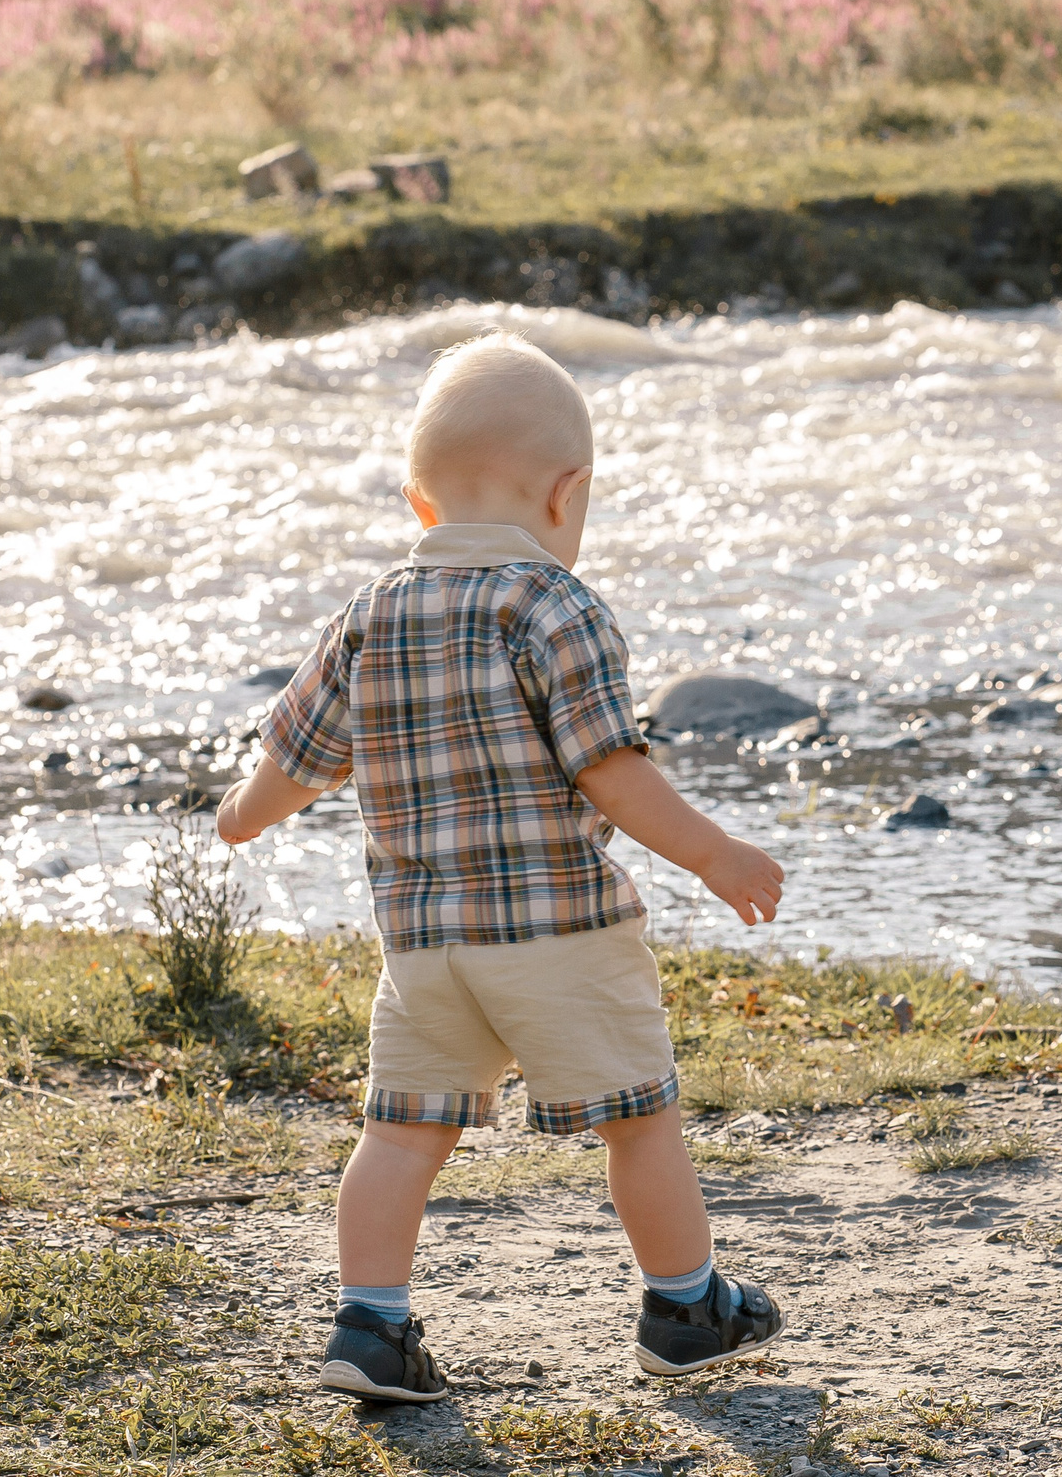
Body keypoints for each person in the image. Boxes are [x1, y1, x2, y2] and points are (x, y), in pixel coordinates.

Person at [215, 334, 787, 1400]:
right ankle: (685, 1304)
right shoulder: (551, 604)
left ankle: (371, 1327)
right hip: (559, 932)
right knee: (639, 1117)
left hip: (426, 948)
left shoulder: (368, 612)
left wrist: (240, 818)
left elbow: (294, 761)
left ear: (418, 502)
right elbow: (611, 768)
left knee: (399, 1134)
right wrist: (715, 852)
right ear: (568, 494)